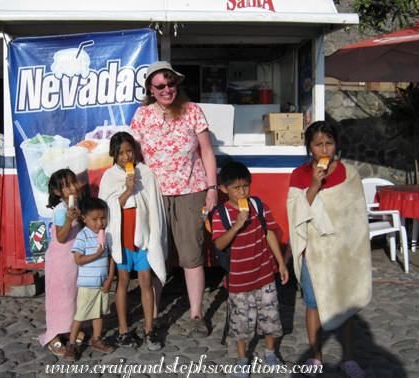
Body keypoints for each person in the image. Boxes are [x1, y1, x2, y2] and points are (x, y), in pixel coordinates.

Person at [130, 61, 218, 338]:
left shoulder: (193, 111)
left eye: (171, 83)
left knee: (192, 256)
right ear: (150, 89)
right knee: (155, 255)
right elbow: (131, 155)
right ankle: (152, 315)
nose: (168, 89)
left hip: (191, 192)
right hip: (153, 195)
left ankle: (196, 314)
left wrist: (212, 187)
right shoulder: (141, 116)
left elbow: (206, 151)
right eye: (161, 85)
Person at [287, 121, 372, 378]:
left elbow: (355, 218)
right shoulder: (299, 174)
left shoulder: (350, 173)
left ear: (336, 144)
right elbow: (295, 212)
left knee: (344, 304)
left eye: (329, 143)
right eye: (318, 144)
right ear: (309, 147)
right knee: (313, 304)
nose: (324, 149)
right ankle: (315, 357)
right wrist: (313, 185)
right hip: (313, 253)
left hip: (343, 253)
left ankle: (348, 358)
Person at [212, 161, 289, 377]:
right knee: (241, 321)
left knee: (271, 316)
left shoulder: (258, 205)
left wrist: (281, 263)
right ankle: (242, 359)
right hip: (238, 280)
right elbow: (219, 243)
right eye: (237, 188)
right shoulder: (221, 214)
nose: (243, 192)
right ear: (224, 189)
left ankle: (270, 353)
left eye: (246, 186)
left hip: (265, 274)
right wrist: (236, 225)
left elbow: (270, 233)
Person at [98, 131, 167, 351]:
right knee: (124, 281)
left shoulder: (146, 173)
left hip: (143, 237)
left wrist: (155, 236)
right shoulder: (109, 176)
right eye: (121, 153)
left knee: (146, 281)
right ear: (114, 155)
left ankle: (149, 329)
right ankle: (123, 330)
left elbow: (154, 206)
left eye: (130, 151)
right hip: (122, 237)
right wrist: (128, 191)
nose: (127, 157)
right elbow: (107, 208)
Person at [38, 168, 86, 355]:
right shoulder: (60, 210)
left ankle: (68, 329)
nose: (74, 187)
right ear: (58, 192)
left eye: (74, 182)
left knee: (71, 297)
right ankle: (54, 334)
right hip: (59, 263)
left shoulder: (73, 206)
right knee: (59, 300)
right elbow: (60, 237)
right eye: (67, 186)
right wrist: (68, 221)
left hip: (71, 262)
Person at [64, 197, 116, 361]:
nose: (99, 223)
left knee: (98, 313)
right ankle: (72, 344)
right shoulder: (82, 236)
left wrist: (110, 278)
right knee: (81, 315)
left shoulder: (105, 236)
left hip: (102, 283)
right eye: (94, 219)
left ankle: (97, 338)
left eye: (102, 218)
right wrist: (97, 254)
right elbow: (78, 259)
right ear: (84, 219)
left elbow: (111, 258)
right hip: (87, 284)